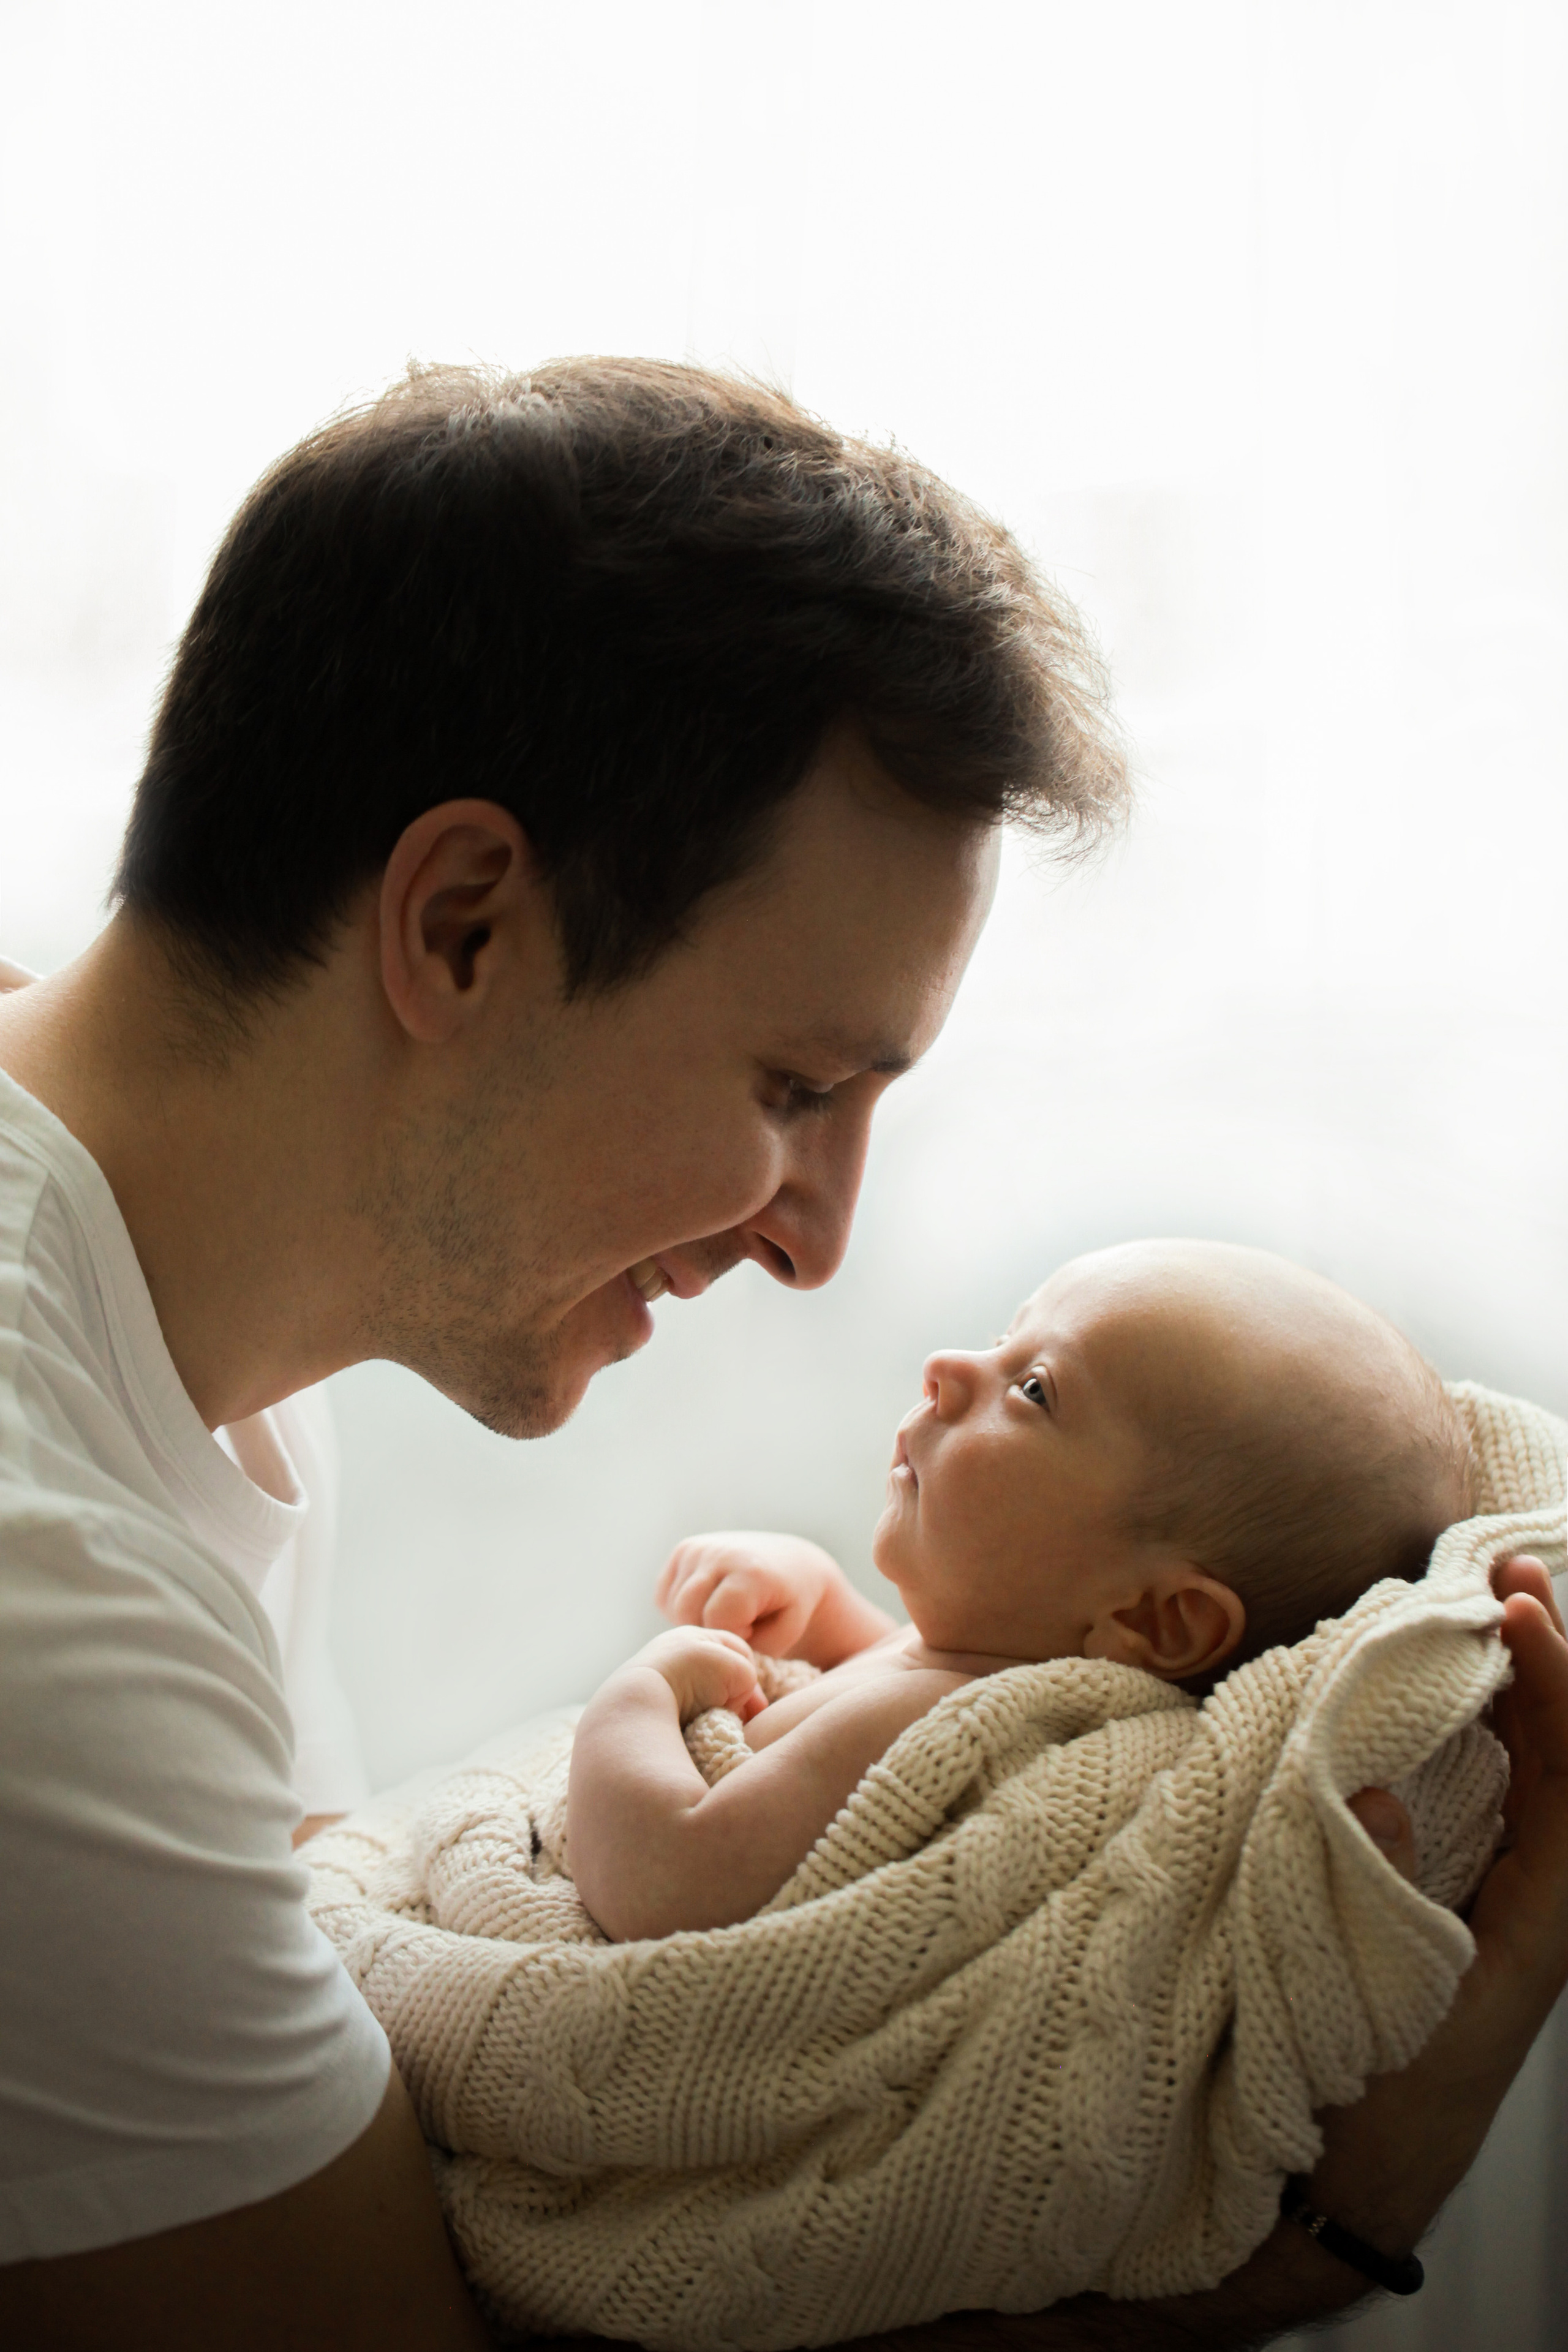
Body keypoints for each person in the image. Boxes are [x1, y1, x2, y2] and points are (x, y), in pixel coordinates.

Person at [0, 359, 1563, 2352]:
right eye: (797, 1083)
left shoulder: (174, 1281)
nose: (821, 1246)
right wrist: (1323, 2227)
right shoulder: (41, 1591)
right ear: (465, 925)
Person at [569, 1240, 1478, 1939]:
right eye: (1007, 1337)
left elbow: (664, 1884)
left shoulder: (954, 1730)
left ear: (1157, 1618)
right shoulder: (978, 1667)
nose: (950, 1368)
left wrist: (639, 1697)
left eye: (1035, 1390)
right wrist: (825, 1613)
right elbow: (894, 1673)